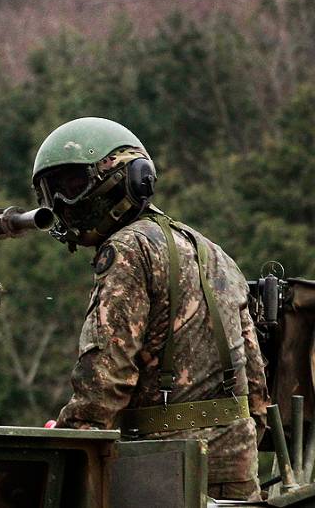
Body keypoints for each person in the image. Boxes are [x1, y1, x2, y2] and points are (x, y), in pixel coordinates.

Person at [33, 117, 269, 500]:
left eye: (74, 186)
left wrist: (71, 440)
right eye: (53, 191)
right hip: (236, 472)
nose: (63, 203)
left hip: (162, 472)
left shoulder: (129, 249)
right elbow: (256, 385)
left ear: (126, 177)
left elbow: (105, 375)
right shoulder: (213, 253)